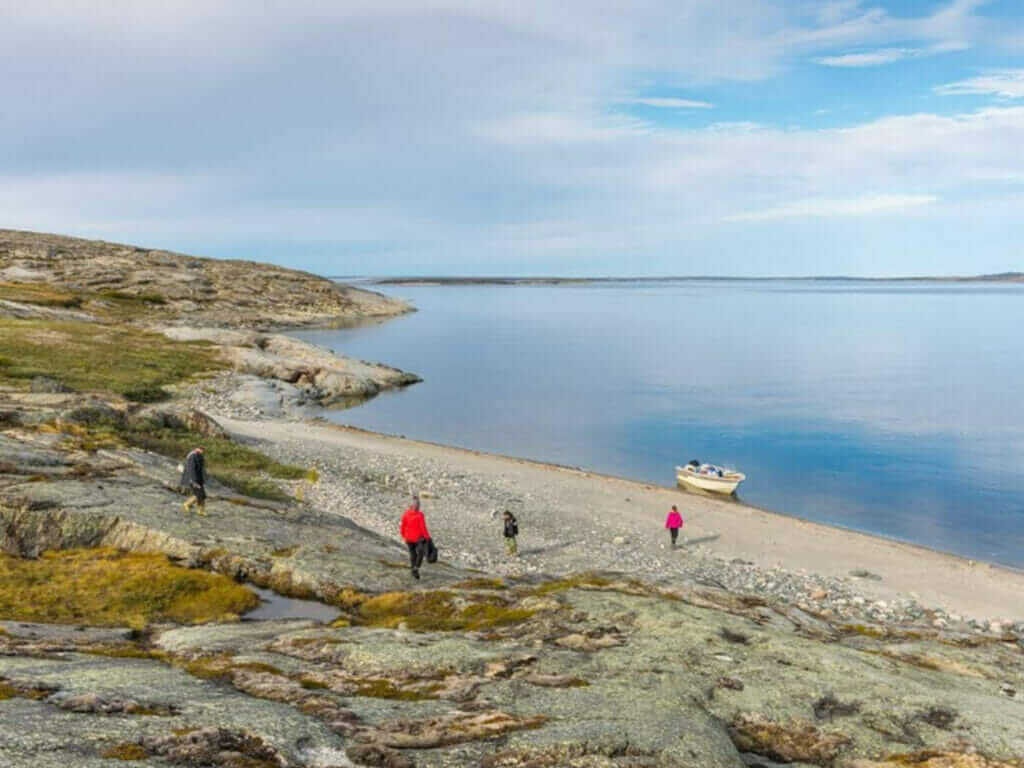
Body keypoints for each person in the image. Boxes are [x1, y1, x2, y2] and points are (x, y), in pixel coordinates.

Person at [399, 495, 431, 579]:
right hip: (417, 538)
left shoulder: (406, 514)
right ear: (415, 506)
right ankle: (415, 568)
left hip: (408, 538)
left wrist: (403, 535)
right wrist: (428, 538)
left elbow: (403, 526)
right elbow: (423, 527)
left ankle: (413, 568)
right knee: (420, 553)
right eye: (418, 505)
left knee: (412, 553)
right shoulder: (420, 515)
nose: (419, 507)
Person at [181, 446, 207, 516]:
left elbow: (201, 469)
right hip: (193, 479)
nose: (203, 451)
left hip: (199, 479)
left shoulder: (199, 456)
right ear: (196, 449)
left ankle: (200, 510)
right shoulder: (192, 456)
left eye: (203, 449)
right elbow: (191, 469)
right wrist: (193, 480)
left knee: (202, 495)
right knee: (199, 495)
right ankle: (187, 504)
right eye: (201, 449)